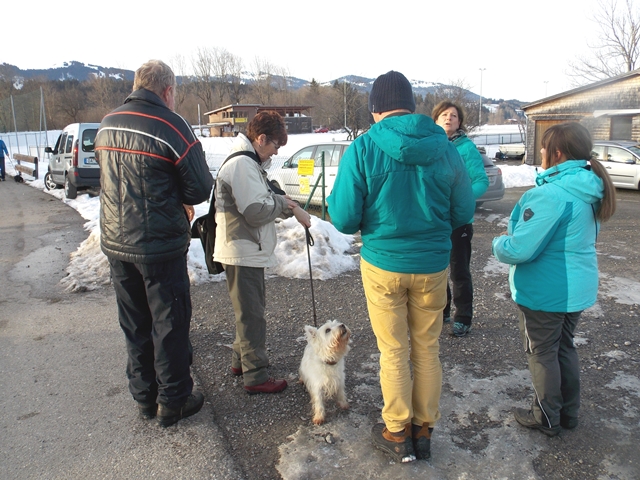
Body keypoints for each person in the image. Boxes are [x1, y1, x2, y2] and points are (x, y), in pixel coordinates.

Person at [327, 71, 475, 463]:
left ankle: (396, 431)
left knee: (393, 350)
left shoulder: (362, 148)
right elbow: (463, 210)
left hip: (383, 265)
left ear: (375, 109)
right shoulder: (445, 148)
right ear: (411, 107)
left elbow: (343, 218)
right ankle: (423, 430)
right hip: (432, 265)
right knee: (427, 348)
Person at [95, 60, 213, 427]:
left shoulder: (107, 124)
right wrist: (176, 196)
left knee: (134, 322)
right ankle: (173, 400)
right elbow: (200, 187)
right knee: (169, 322)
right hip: (159, 246)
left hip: (116, 241)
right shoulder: (170, 125)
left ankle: (144, 397)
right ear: (167, 90)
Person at [492, 122, 616, 436]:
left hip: (547, 291)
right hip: (577, 288)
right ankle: (568, 413)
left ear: (556, 153)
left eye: (545, 148)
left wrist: (498, 242)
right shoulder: (589, 187)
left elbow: (519, 249)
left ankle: (547, 417)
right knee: (563, 347)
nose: (542, 152)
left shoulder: (550, 195)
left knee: (542, 353)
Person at [214, 111, 311, 395]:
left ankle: (240, 362)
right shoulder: (243, 164)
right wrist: (283, 205)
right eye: (275, 145)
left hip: (245, 249)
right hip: (242, 250)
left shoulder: (249, 162)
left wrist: (285, 203)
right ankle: (255, 376)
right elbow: (256, 211)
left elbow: (264, 197)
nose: (276, 152)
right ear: (261, 138)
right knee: (252, 315)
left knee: (249, 311)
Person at [432, 101, 489, 337]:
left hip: (459, 222)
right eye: (444, 115)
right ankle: (443, 310)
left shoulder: (466, 148)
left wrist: (462, 202)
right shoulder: (430, 146)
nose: (449, 118)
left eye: (453, 115)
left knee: (459, 271)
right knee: (436, 270)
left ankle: (463, 317)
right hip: (437, 220)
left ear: (460, 122)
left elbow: (481, 181)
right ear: (435, 119)